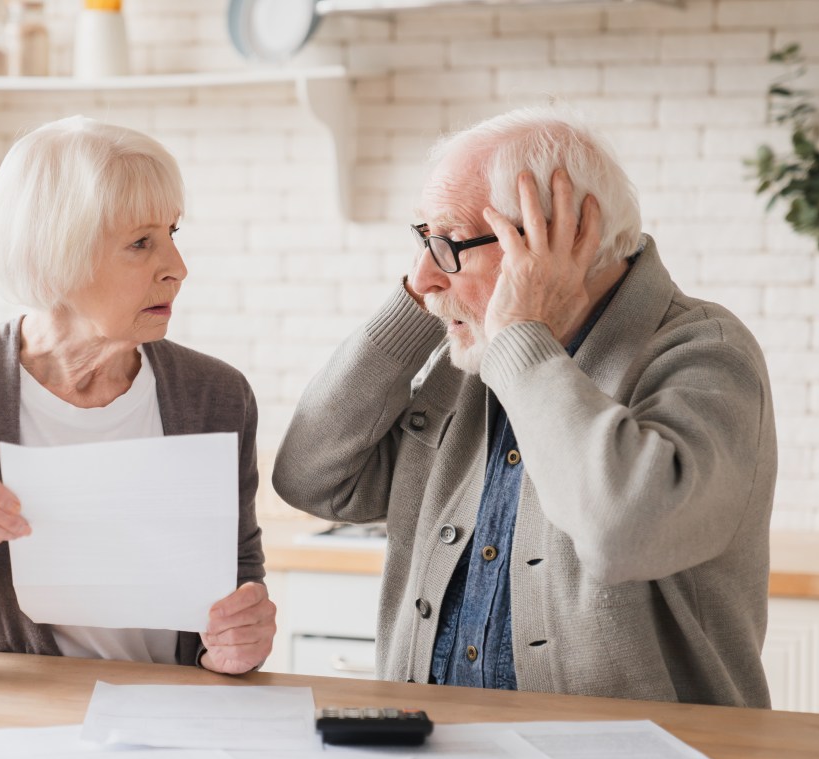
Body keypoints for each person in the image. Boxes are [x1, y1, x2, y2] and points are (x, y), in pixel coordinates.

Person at [272, 106, 777, 707]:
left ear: (561, 240)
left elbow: (626, 535)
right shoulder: (471, 358)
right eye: (423, 239)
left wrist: (521, 340)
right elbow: (310, 479)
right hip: (435, 755)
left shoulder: (704, 351)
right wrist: (418, 308)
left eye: (450, 242)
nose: (423, 274)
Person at [0, 117, 274, 676]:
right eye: (141, 243)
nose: (178, 269)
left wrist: (242, 640)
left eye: (172, 234)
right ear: (54, 255)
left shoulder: (217, 396)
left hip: (179, 719)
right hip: (21, 726)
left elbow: (237, 588)